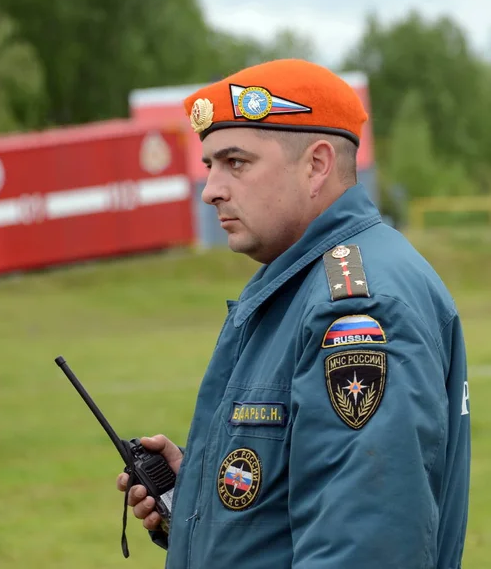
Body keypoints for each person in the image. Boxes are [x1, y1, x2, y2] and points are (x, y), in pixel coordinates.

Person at [117, 59, 471, 568]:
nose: (211, 188)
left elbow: (364, 547)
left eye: (235, 162)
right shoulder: (303, 283)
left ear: (317, 164)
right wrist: (200, 499)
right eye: (211, 165)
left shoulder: (355, 309)